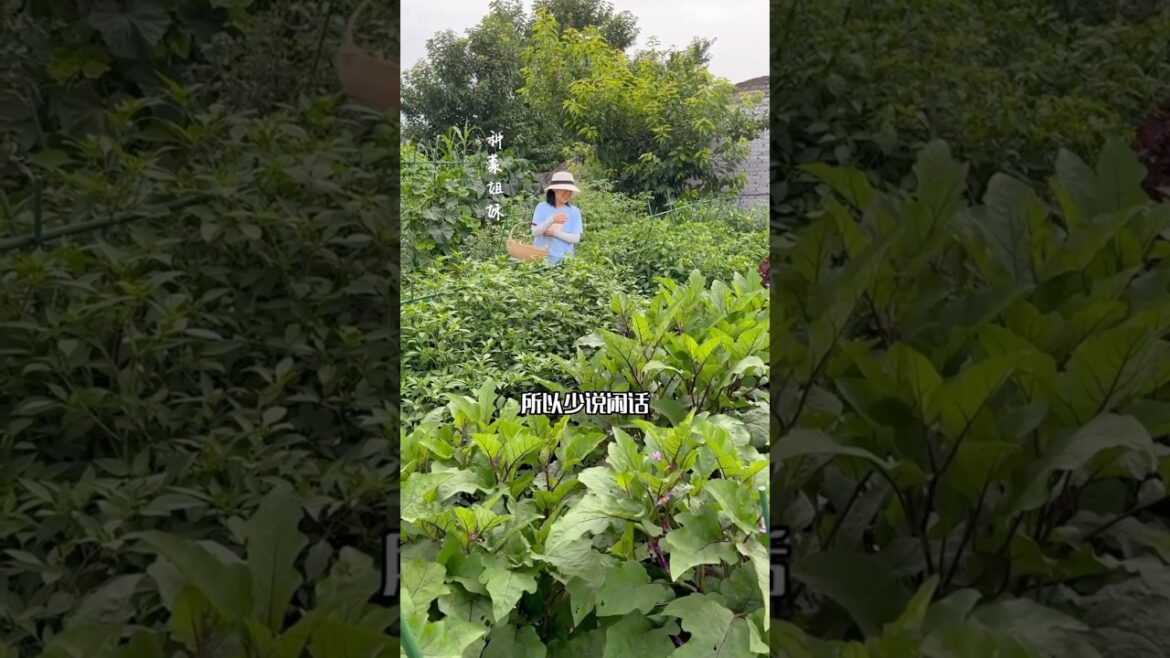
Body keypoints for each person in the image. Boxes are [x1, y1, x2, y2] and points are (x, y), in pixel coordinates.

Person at [531, 171, 584, 265]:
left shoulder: (574, 211)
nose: (568, 193)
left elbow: (576, 238)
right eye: (564, 189)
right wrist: (551, 220)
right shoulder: (542, 207)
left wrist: (554, 233)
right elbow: (535, 232)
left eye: (570, 190)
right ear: (555, 189)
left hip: (565, 262)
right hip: (541, 260)